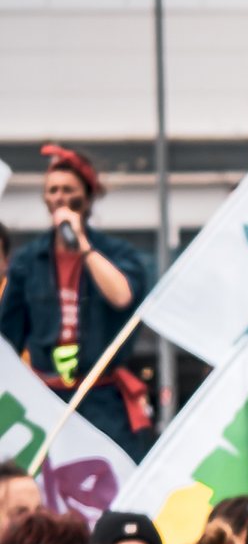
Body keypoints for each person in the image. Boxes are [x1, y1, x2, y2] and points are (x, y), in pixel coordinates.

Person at [3, 146, 155, 455]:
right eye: (52, 190)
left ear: (87, 197)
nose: (59, 196)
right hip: (47, 396)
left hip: (103, 396)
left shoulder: (117, 254)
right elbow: (8, 336)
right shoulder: (28, 261)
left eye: (68, 189)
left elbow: (122, 296)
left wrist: (82, 245)